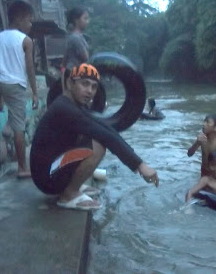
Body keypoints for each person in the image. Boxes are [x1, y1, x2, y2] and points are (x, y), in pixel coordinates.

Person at [30, 63, 159, 211]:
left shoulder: (73, 105)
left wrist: (137, 161)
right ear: (70, 83)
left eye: (93, 87)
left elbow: (106, 128)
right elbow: (105, 136)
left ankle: (73, 185)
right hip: (46, 178)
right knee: (97, 146)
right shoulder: (64, 108)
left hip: (51, 168)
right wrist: (140, 166)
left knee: (94, 137)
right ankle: (68, 195)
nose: (90, 91)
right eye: (84, 84)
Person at [0, 0, 38, 178]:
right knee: (19, 128)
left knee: (0, 80)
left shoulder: (0, 36)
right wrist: (34, 92)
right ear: (19, 19)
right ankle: (23, 168)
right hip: (14, 86)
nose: (31, 25)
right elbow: (30, 68)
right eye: (29, 21)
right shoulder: (26, 41)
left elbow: (0, 58)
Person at [61, 7, 90, 87]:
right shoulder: (76, 38)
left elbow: (63, 62)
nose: (87, 22)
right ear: (76, 20)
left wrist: (63, 72)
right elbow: (87, 59)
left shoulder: (73, 36)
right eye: (85, 18)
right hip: (75, 75)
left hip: (72, 74)